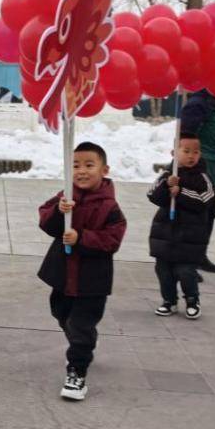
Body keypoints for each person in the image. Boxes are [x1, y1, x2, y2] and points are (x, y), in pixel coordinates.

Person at [38, 141, 127, 401]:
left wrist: (82, 238)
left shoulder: (110, 207)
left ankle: (77, 371)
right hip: (63, 275)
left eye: (90, 165)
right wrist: (58, 211)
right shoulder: (66, 194)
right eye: (76, 165)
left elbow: (113, 240)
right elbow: (45, 221)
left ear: (104, 169)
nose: (82, 171)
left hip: (92, 280)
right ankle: (83, 344)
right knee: (61, 313)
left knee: (80, 325)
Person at [147, 133, 215, 320]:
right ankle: (169, 300)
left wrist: (181, 192)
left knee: (185, 271)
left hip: (190, 237)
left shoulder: (203, 177)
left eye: (195, 152)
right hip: (165, 235)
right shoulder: (168, 175)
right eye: (186, 151)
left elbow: (205, 199)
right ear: (174, 152)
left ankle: (192, 300)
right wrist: (166, 187)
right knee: (164, 271)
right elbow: (153, 195)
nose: (191, 156)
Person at [179, 89, 215, 274]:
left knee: (208, 215)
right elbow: (184, 136)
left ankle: (199, 256)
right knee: (192, 217)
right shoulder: (199, 103)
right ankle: (185, 262)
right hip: (195, 171)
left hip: (211, 170)